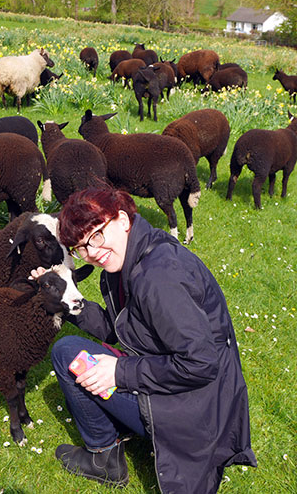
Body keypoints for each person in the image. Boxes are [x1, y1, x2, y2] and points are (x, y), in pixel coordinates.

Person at [31, 186, 257, 493]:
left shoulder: (159, 276)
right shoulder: (127, 259)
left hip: (197, 411)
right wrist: (65, 298)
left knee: (77, 359)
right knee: (68, 351)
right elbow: (120, 329)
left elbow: (202, 364)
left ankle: (109, 454)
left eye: (96, 236)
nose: (92, 253)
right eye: (80, 248)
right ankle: (105, 456)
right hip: (179, 386)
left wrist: (119, 373)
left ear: (122, 219)